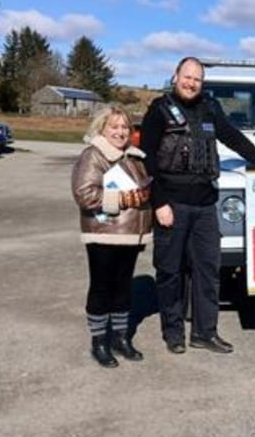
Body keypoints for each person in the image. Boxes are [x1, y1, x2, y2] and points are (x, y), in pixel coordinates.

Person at [140, 56, 255, 355]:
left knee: (208, 271)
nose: (191, 83)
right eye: (187, 77)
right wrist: (159, 202)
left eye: (197, 79)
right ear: (176, 76)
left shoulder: (210, 108)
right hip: (172, 203)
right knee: (170, 271)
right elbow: (146, 159)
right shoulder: (158, 111)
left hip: (205, 205)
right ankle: (173, 331)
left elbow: (234, 138)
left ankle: (205, 332)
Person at [71, 105, 153, 368]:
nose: (120, 132)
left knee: (123, 288)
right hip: (103, 233)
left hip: (130, 234)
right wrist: (122, 198)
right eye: (114, 127)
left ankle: (120, 338)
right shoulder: (93, 156)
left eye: (124, 127)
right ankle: (99, 342)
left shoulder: (134, 157)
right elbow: (84, 194)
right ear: (102, 129)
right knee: (101, 287)